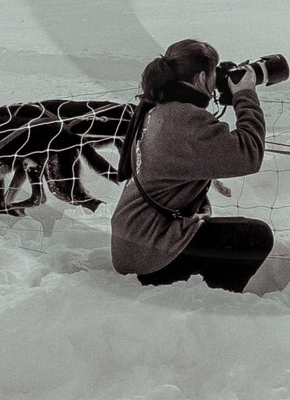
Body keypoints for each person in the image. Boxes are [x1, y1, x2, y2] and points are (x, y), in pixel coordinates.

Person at [110, 38, 273, 292]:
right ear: (199, 79)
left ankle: (202, 292)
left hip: (134, 241)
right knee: (255, 237)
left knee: (224, 231)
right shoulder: (185, 122)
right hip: (151, 251)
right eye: (212, 76)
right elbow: (249, 154)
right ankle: (215, 302)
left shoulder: (159, 108)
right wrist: (245, 94)